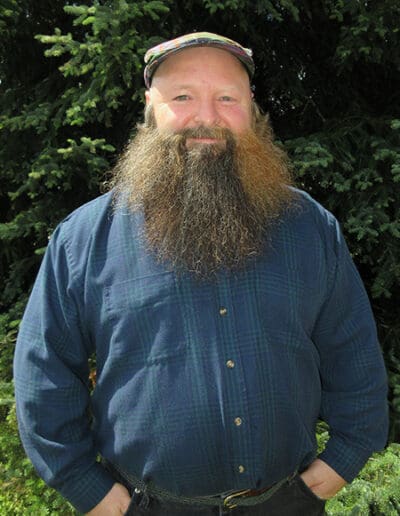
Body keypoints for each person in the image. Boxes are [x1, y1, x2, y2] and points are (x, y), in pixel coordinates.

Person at [14, 32, 388, 516]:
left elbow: (355, 360)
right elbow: (43, 377)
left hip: (285, 504)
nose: (207, 118)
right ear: (152, 108)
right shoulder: (84, 239)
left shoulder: (309, 228)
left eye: (226, 98)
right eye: (183, 97)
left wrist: (337, 465)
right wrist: (94, 494)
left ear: (251, 109)